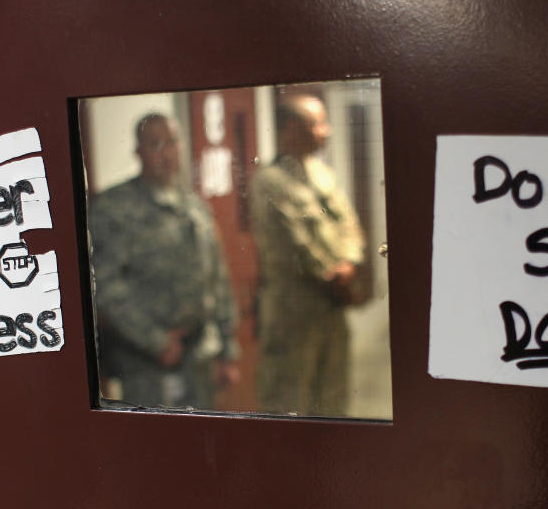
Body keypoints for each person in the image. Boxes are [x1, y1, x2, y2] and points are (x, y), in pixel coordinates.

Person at [89, 113, 239, 408]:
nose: (166, 152)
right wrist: (155, 340)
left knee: (200, 442)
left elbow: (217, 279)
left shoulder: (194, 207)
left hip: (199, 355)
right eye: (155, 144)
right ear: (138, 152)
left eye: (171, 142)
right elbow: (105, 287)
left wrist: (227, 350)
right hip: (147, 362)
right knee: (156, 447)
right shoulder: (114, 208)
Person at [250, 95, 365, 416]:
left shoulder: (321, 173)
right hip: (293, 314)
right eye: (317, 123)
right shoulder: (269, 182)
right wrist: (335, 275)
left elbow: (348, 224)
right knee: (290, 404)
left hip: (330, 307)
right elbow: (293, 245)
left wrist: (350, 263)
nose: (325, 131)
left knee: (333, 399)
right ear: (290, 128)